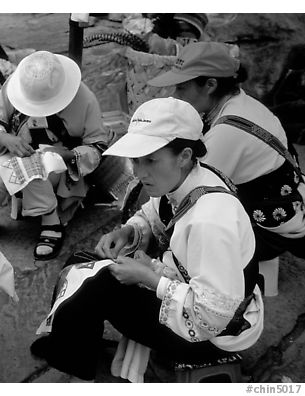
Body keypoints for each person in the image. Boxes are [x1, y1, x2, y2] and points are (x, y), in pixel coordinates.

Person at [30, 97, 263, 381]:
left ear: (185, 155)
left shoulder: (210, 220)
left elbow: (212, 316)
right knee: (81, 262)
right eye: (136, 161)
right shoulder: (186, 178)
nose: (140, 173)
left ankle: (76, 358)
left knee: (99, 287)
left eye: (150, 160)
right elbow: (154, 214)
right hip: (188, 289)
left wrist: (151, 278)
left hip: (211, 337)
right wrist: (129, 232)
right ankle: (72, 341)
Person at [147, 41, 305, 261]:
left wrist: (143, 227)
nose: (175, 94)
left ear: (210, 84)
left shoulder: (228, 132)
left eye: (182, 87)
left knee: (185, 229)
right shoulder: (238, 101)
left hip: (271, 230)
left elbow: (187, 191)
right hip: (286, 200)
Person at [0, 50, 111, 260]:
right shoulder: (15, 85)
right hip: (17, 154)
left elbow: (97, 146)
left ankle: (50, 220)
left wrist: (66, 155)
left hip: (59, 165)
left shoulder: (85, 99)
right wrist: (5, 138)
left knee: (33, 170)